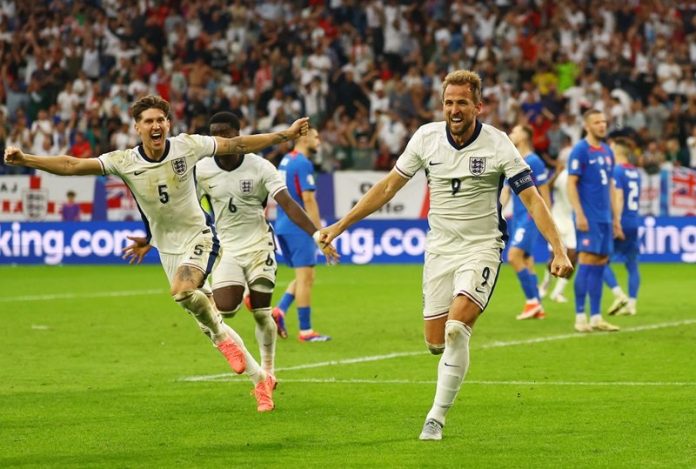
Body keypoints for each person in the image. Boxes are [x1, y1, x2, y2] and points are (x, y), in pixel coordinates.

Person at [4, 95, 310, 412]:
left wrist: (284, 136)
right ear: (137, 127)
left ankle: (223, 339)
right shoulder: (124, 161)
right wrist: (27, 159)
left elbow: (238, 145)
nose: (155, 125)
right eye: (148, 121)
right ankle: (260, 380)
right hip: (167, 248)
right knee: (200, 312)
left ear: (168, 124)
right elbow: (71, 165)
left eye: (160, 120)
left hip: (199, 236)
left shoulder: (187, 146)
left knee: (183, 291)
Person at [318, 70, 573, 441]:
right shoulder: (426, 138)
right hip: (439, 249)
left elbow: (531, 198)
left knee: (457, 329)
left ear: (478, 106)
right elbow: (390, 186)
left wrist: (558, 248)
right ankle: (445, 374)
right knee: (436, 342)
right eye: (449, 102)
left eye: (462, 103)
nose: (454, 109)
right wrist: (339, 225)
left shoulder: (498, 144)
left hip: (482, 247)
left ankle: (435, 418)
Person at [195, 111, 339, 375]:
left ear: (238, 135)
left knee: (262, 313)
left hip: (260, 245)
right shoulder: (202, 169)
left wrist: (317, 234)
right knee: (226, 309)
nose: (219, 139)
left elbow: (287, 202)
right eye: (214, 133)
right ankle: (297, 327)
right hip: (228, 247)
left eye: (225, 133)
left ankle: (267, 373)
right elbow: (189, 208)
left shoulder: (261, 166)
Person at [273, 128, 332, 342]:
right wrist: (318, 233)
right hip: (298, 226)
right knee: (306, 279)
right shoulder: (303, 163)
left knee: (305, 276)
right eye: (315, 137)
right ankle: (306, 331)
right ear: (303, 137)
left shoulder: (286, 160)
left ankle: (279, 310)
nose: (318, 140)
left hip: (282, 223)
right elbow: (308, 200)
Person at [567, 109, 621, 333]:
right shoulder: (580, 150)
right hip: (587, 217)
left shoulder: (608, 151)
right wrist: (579, 213)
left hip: (605, 218)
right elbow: (571, 184)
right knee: (587, 261)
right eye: (597, 122)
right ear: (587, 126)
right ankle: (580, 316)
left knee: (600, 263)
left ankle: (597, 316)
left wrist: (616, 218)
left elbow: (609, 185)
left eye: (604, 121)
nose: (602, 125)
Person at [500, 124, 551, 320]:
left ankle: (532, 302)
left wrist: (547, 221)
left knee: (514, 256)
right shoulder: (513, 161)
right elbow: (506, 192)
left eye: (515, 131)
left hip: (531, 217)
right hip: (518, 218)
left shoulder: (534, 162)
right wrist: (496, 212)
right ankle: (537, 307)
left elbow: (544, 192)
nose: (511, 134)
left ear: (524, 136)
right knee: (527, 261)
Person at [603, 137, 641, 316]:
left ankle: (619, 295)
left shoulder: (616, 171)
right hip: (634, 221)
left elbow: (618, 197)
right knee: (632, 264)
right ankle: (632, 305)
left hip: (621, 221)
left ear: (617, 150)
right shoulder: (634, 171)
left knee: (600, 261)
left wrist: (616, 221)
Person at [539, 139, 578, 303]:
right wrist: (556, 172)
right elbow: (546, 187)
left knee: (573, 256)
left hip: (569, 219)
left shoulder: (576, 175)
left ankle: (557, 292)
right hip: (557, 218)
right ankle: (545, 284)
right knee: (555, 255)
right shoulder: (561, 174)